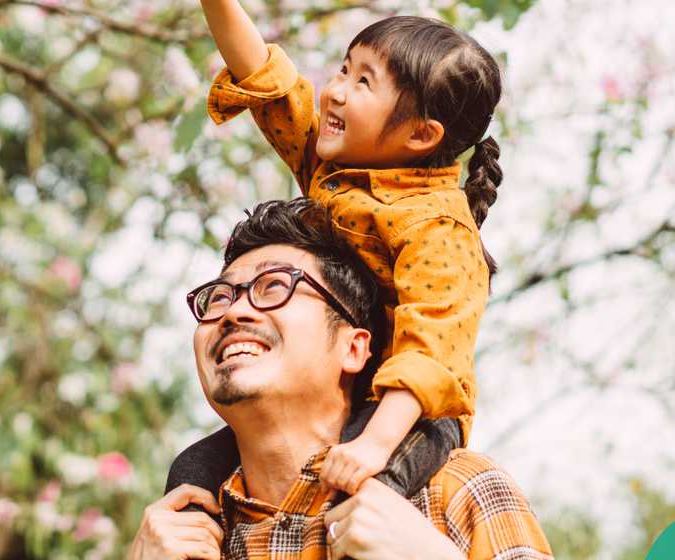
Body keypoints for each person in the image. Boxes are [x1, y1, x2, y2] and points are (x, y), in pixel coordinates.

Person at [169, 2, 506, 501]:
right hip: (335, 394)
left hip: (408, 414)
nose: (335, 91)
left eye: (363, 83)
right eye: (344, 69)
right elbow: (267, 80)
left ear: (420, 133)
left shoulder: (439, 226)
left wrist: (374, 444)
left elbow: (430, 351)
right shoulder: (336, 175)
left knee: (363, 494)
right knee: (192, 467)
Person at [127, 198, 551, 560]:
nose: (235, 312)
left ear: (353, 348)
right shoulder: (181, 532)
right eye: (219, 297)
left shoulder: (455, 491)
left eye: (274, 286)